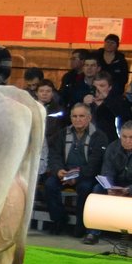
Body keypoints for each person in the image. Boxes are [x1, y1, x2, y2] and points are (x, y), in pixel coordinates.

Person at [40, 103, 107, 240]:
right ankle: (59, 220)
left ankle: (80, 225)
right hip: (65, 172)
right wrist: (58, 170)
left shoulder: (99, 136)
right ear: (70, 118)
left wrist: (77, 176)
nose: (78, 119)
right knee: (50, 185)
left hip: (86, 175)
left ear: (89, 118)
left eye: (81, 116)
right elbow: (55, 155)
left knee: (86, 188)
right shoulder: (63, 133)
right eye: (74, 116)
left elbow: (95, 163)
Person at [82, 72, 130, 142]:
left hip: (110, 142)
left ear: (110, 87)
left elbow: (124, 116)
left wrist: (107, 100)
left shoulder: (118, 101)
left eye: (102, 86)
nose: (98, 89)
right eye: (95, 86)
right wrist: (84, 105)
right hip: (89, 142)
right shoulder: (87, 102)